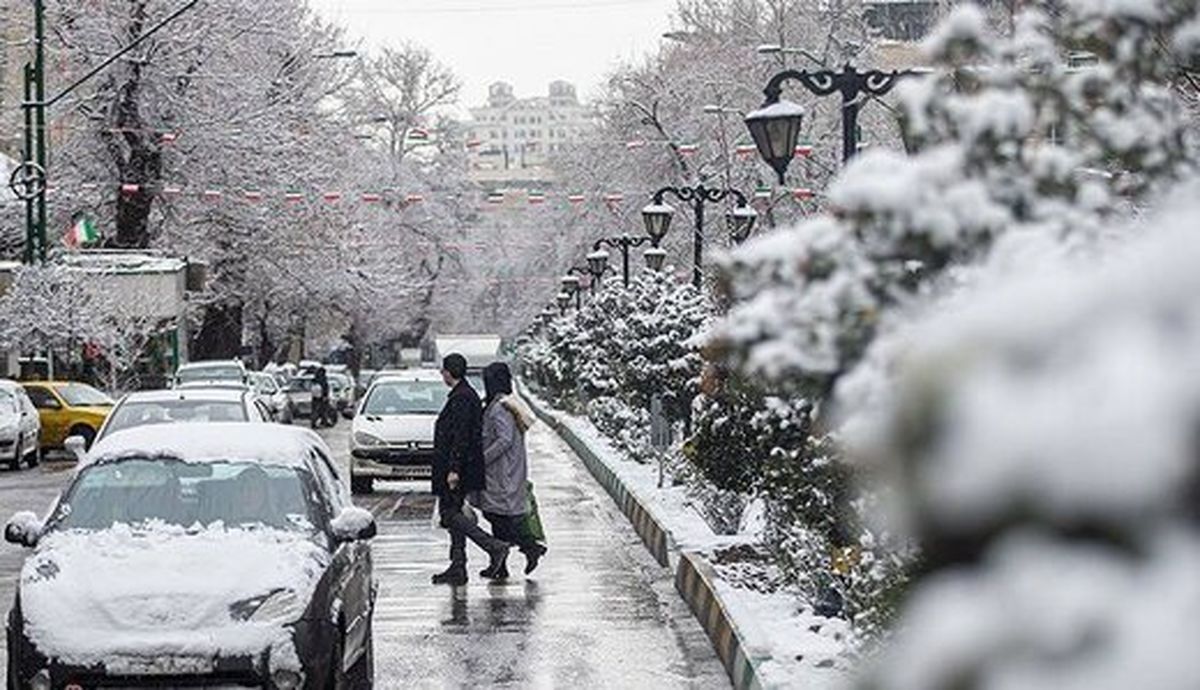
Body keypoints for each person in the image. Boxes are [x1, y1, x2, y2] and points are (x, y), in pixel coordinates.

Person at [431, 353, 510, 586]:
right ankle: (458, 566)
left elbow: (461, 436)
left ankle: (494, 546)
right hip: (457, 465)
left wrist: (454, 469)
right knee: (453, 513)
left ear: (449, 372)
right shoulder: (462, 394)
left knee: (450, 515)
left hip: (458, 468)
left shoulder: (463, 397)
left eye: (443, 370)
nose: (442, 374)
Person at [476, 361, 546, 577]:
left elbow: (504, 439)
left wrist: (483, 459)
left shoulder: (500, 408)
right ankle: (505, 563)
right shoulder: (508, 403)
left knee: (498, 516)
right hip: (506, 470)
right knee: (498, 516)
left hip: (501, 471)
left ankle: (527, 548)